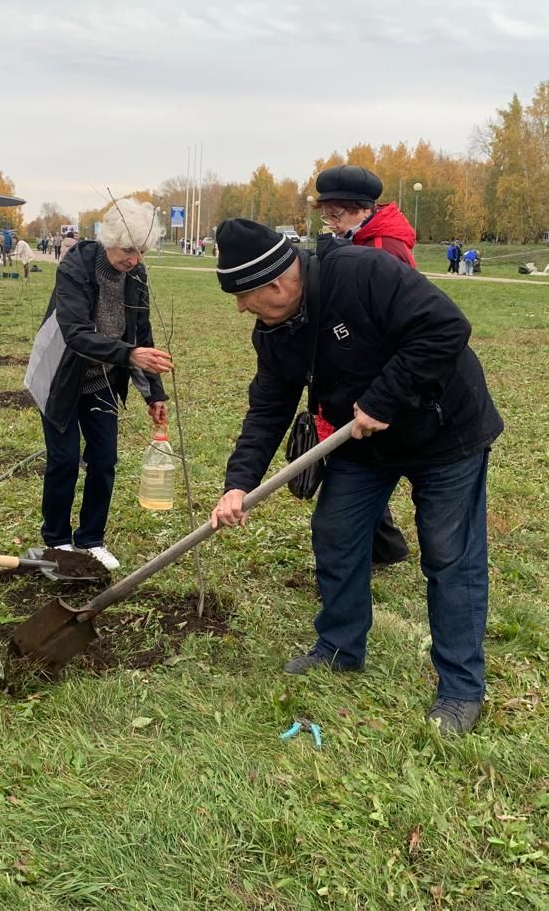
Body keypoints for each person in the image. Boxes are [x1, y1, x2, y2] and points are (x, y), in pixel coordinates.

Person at [209, 218, 503, 734]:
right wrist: (240, 482)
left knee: (449, 555)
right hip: (362, 442)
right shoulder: (276, 330)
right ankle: (341, 646)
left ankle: (460, 689)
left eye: (243, 296)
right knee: (337, 533)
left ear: (277, 284)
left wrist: (384, 398)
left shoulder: (364, 272)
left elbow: (446, 327)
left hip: (445, 431)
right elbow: (268, 407)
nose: (240, 309)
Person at [25, 199, 171, 571]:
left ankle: (91, 540)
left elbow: (142, 334)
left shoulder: (136, 276)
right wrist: (130, 354)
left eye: (142, 252)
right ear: (110, 240)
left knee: (104, 461)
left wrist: (153, 393)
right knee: (65, 461)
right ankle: (57, 542)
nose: (134, 260)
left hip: (102, 379)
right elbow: (75, 334)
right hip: (61, 377)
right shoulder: (75, 266)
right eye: (128, 250)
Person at [312, 165, 413, 571]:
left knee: (358, 463)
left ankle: (370, 548)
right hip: (356, 361)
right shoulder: (357, 241)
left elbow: (394, 318)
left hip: (377, 370)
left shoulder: (385, 247)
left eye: (338, 216)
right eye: (327, 216)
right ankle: (384, 546)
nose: (332, 225)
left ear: (362, 211)